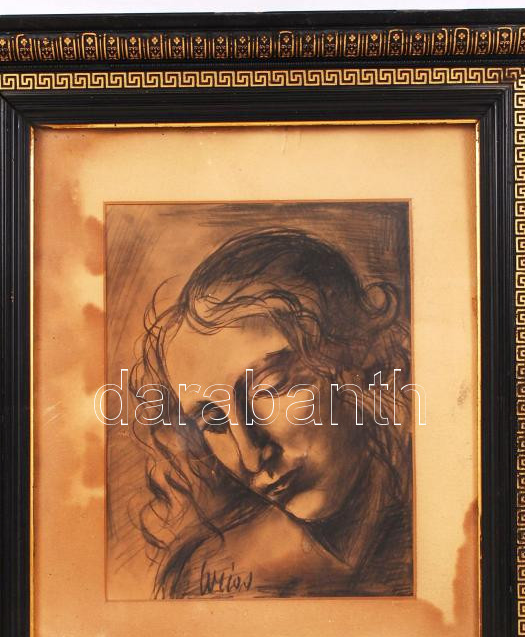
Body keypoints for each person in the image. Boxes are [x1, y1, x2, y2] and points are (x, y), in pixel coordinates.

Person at [132, 228, 412, 598]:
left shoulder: (440, 527)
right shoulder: (211, 575)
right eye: (213, 420)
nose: (250, 456)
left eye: (270, 387)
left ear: (357, 358)